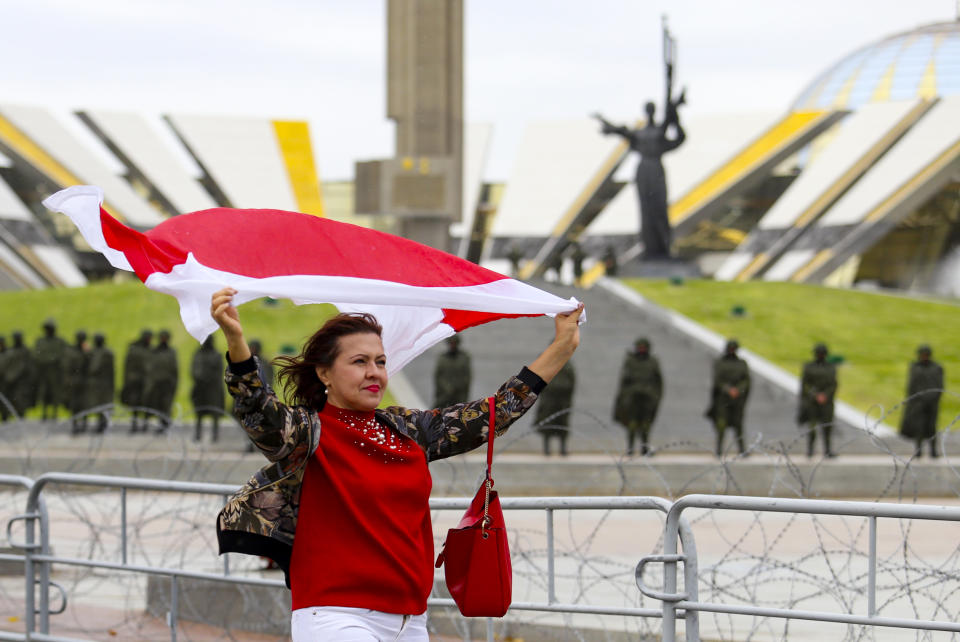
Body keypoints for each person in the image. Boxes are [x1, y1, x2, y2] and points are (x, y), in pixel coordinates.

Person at [210, 287, 582, 641]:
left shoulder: (408, 429)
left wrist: (561, 347)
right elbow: (259, 411)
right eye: (359, 362)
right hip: (337, 616)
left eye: (380, 362)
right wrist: (237, 345)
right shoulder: (308, 432)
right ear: (325, 374)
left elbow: (495, 412)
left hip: (411, 620)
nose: (374, 372)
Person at [613, 337, 663, 456]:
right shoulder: (630, 361)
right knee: (632, 424)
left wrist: (656, 397)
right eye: (639, 348)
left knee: (646, 425)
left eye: (643, 348)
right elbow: (624, 381)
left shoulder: (653, 362)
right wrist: (622, 398)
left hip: (648, 398)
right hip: (632, 398)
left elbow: (659, 382)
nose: (641, 350)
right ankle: (630, 448)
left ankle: (644, 448)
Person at [706, 339, 750, 457]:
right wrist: (728, 390)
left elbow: (746, 380)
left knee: (738, 425)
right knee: (721, 425)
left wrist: (737, 390)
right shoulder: (720, 363)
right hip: (723, 400)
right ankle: (719, 450)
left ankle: (742, 449)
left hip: (737, 401)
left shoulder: (741, 364)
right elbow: (717, 381)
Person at [900, 345, 943, 458]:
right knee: (918, 427)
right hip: (918, 402)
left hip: (932, 402)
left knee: (931, 427)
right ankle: (918, 451)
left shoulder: (936, 367)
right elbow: (911, 385)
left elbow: (940, 385)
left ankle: (933, 451)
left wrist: (933, 398)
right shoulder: (915, 367)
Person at [798, 343, 837, 458]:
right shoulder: (809, 367)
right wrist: (815, 395)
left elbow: (833, 384)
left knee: (827, 427)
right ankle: (810, 450)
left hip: (826, 402)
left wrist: (825, 395)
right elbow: (805, 384)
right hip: (812, 402)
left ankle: (828, 450)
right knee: (812, 426)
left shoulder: (830, 367)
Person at [534, 358, 575, 456]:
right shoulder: (546, 364)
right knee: (547, 422)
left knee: (563, 423)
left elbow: (572, 381)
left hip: (563, 399)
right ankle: (546, 448)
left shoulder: (567, 365)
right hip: (549, 398)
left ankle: (563, 448)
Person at [143, 329, 178, 433]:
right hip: (156, 383)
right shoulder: (154, 352)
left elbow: (174, 369)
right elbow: (150, 367)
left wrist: (174, 382)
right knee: (157, 404)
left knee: (166, 405)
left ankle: (165, 424)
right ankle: (160, 424)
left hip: (167, 384)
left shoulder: (171, 352)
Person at [191, 336, 225, 442]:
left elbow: (219, 372)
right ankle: (197, 434)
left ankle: (215, 435)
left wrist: (209, 378)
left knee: (215, 412)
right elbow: (193, 369)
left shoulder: (217, 355)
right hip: (201, 387)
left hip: (213, 388)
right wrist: (200, 378)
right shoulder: (198, 354)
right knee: (199, 412)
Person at [34, 318, 67, 421]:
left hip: (55, 371)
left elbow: (62, 354)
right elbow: (37, 354)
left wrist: (51, 359)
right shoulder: (40, 341)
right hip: (43, 371)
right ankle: (44, 412)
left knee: (55, 392)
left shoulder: (59, 341)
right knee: (44, 392)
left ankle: (55, 412)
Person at [122, 329, 153, 432]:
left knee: (141, 404)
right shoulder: (140, 349)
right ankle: (138, 425)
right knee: (138, 404)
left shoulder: (135, 348)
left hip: (139, 380)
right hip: (137, 381)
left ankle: (139, 425)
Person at [86, 333, 115, 433]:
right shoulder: (105, 353)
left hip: (102, 382)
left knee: (103, 403)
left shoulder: (99, 353)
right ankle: (101, 422)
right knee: (100, 403)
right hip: (100, 382)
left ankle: (103, 423)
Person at [433, 336, 471, 408]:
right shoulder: (442, 358)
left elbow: (467, 377)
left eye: (454, 343)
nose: (453, 345)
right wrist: (446, 387)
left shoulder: (464, 358)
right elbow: (438, 376)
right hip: (444, 395)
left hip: (459, 395)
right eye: (451, 343)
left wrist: (457, 387)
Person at [64, 330, 90, 434]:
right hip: (76, 381)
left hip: (79, 381)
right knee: (76, 404)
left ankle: (82, 423)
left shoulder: (76, 351)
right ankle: (77, 424)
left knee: (82, 404)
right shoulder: (75, 352)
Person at [4, 332, 35, 418]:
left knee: (20, 399)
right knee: (10, 398)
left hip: (22, 380)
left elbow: (29, 366)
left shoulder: (25, 351)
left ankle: (21, 416)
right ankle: (7, 416)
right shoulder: (11, 350)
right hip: (10, 379)